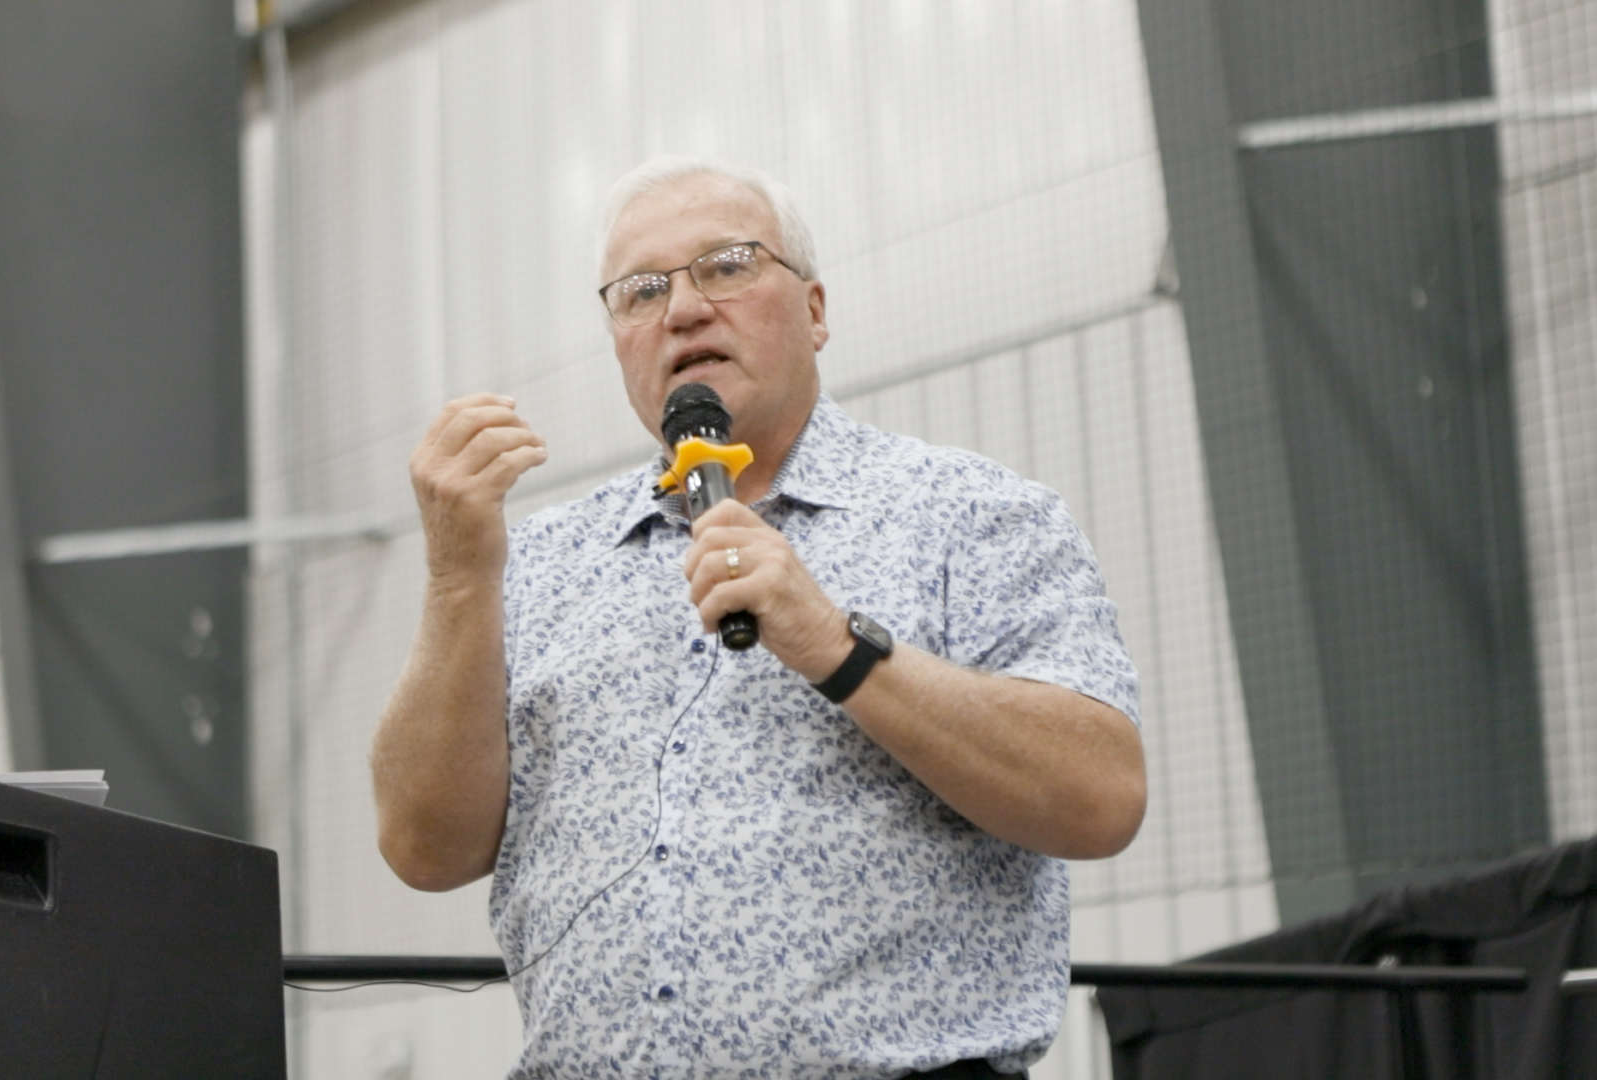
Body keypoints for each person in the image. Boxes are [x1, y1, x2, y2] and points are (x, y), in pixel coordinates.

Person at [370, 157, 1147, 1079]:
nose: (684, 310)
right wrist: (460, 577)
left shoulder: (967, 514)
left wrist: (834, 645)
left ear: (815, 311)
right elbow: (424, 848)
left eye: (728, 265)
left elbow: (1101, 797)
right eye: (641, 291)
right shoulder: (538, 562)